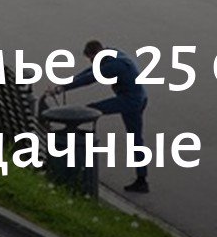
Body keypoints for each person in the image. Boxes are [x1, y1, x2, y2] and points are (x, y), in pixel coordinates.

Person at [52, 40, 149, 193]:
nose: (91, 61)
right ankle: (142, 179)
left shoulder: (114, 66)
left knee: (89, 111)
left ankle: (76, 152)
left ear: (96, 53)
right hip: (139, 97)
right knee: (135, 139)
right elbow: (88, 72)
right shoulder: (111, 53)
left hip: (130, 100)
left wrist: (63, 88)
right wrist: (63, 85)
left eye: (91, 58)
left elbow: (89, 78)